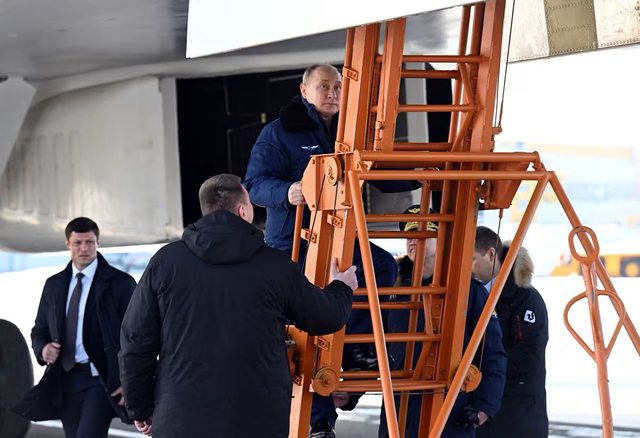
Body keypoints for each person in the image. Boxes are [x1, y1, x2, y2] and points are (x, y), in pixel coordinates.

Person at [244, 63, 415, 437]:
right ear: (304, 90)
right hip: (296, 242)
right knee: (310, 325)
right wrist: (288, 192)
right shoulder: (279, 132)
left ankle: (355, 350)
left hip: (338, 237)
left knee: (382, 267)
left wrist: (426, 173)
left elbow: (379, 174)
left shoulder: (349, 132)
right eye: (324, 86)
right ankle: (320, 420)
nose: (333, 93)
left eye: (338, 86)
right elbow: (254, 184)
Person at [118, 174, 358, 438]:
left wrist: (141, 408)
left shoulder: (166, 262)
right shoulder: (274, 265)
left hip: (181, 418)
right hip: (259, 420)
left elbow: (136, 342)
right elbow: (325, 317)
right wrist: (342, 287)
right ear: (243, 211)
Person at [380, 206, 506, 438]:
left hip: (451, 408)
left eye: (423, 235)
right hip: (399, 407)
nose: (414, 241)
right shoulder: (392, 288)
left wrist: (485, 406)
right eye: (409, 236)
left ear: (440, 241)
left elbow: (491, 350)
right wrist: (350, 393)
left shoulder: (468, 290)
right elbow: (375, 345)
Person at [28, 217, 136, 437]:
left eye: (89, 242)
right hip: (66, 378)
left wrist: (131, 380)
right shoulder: (54, 284)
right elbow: (40, 329)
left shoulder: (120, 283)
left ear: (98, 243)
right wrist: (43, 349)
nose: (84, 248)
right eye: (78, 243)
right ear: (68, 244)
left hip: (101, 379)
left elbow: (136, 335)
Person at [473, 226, 549, 437]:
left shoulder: (526, 299)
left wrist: (482, 366)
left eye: (472, 259)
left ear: (491, 255)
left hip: (516, 414)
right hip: (480, 411)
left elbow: (529, 355)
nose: (467, 267)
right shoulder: (471, 293)